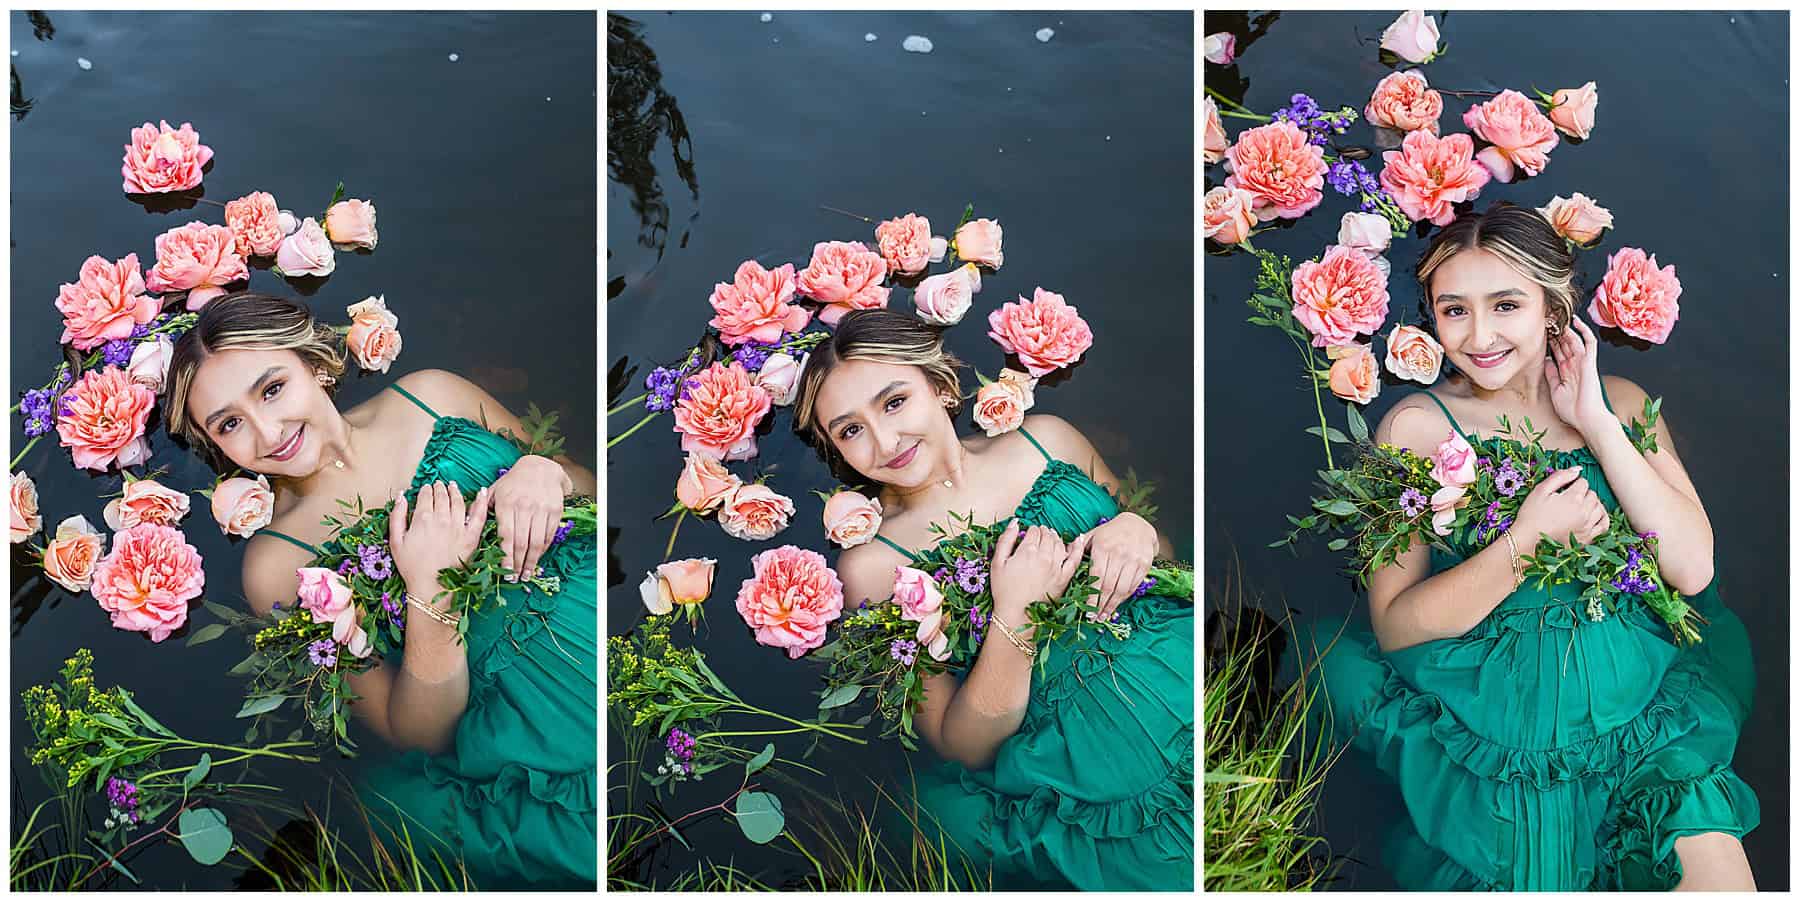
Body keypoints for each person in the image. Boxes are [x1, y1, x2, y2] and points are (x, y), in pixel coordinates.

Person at [1300, 203, 1758, 890]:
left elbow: (1693, 569)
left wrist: (1596, 424)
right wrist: (1524, 542)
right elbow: (1396, 626)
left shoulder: (1624, 403)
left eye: (1506, 305)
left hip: (1638, 713)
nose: (1478, 336)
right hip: (1497, 723)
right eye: (1454, 310)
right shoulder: (1419, 428)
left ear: (1553, 307)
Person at [165, 292, 599, 889]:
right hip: (520, 726)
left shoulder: (433, 395)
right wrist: (430, 599)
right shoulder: (276, 565)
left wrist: (541, 473)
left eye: (272, 389)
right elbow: (415, 734)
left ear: (314, 364)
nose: (268, 432)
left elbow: (587, 489)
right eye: (230, 424)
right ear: (216, 446)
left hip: (591, 606)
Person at [790, 309, 1195, 891]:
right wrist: (1016, 619)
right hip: (1071, 760)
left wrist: (1137, 529)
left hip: (1165, 663)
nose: (884, 441)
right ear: (835, 449)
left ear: (938, 385)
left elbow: (1167, 565)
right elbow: (961, 747)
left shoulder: (1046, 440)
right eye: (850, 430)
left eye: (894, 401)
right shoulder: (872, 566)